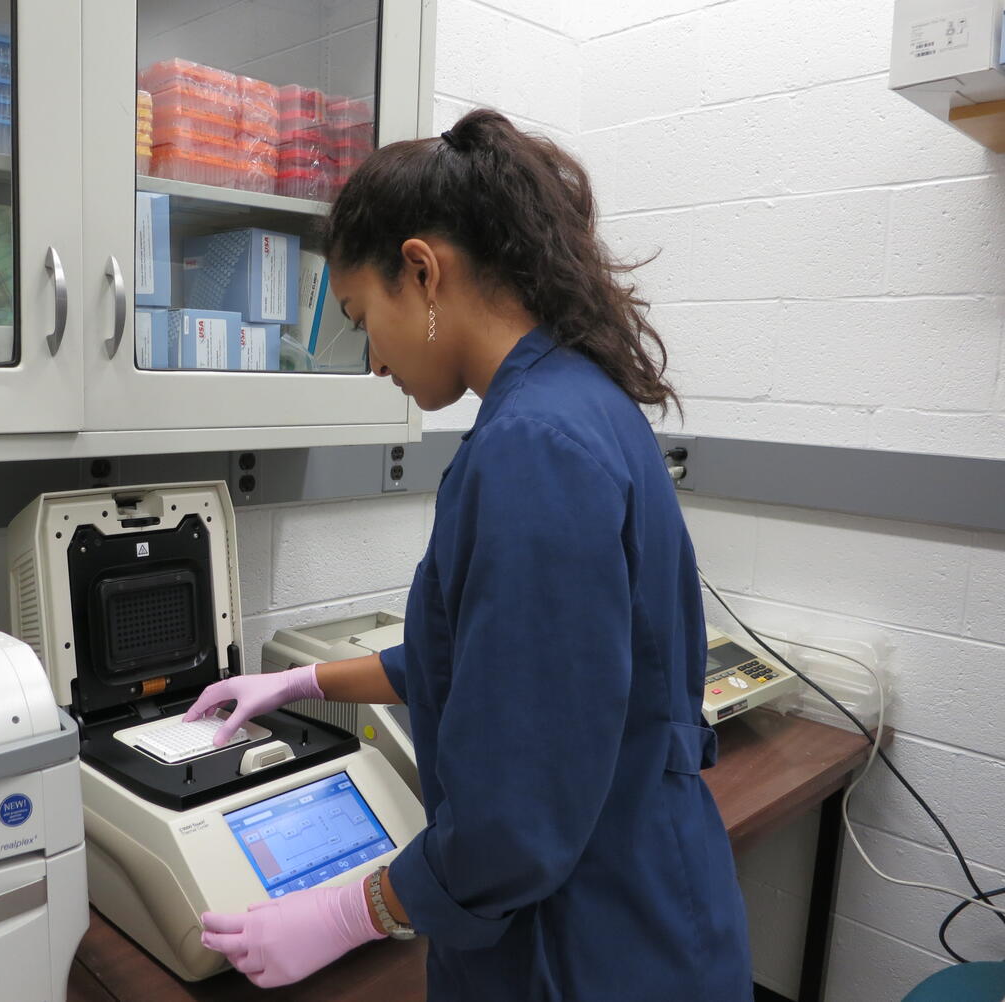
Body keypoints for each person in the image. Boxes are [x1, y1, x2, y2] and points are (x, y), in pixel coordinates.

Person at [185, 108, 753, 1000]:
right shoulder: (576, 401)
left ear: (422, 270)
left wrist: (348, 913)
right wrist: (300, 682)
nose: (374, 362)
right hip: (642, 900)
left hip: (582, 946)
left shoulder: (534, 447)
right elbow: (488, 664)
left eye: (361, 319)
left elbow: (515, 822)